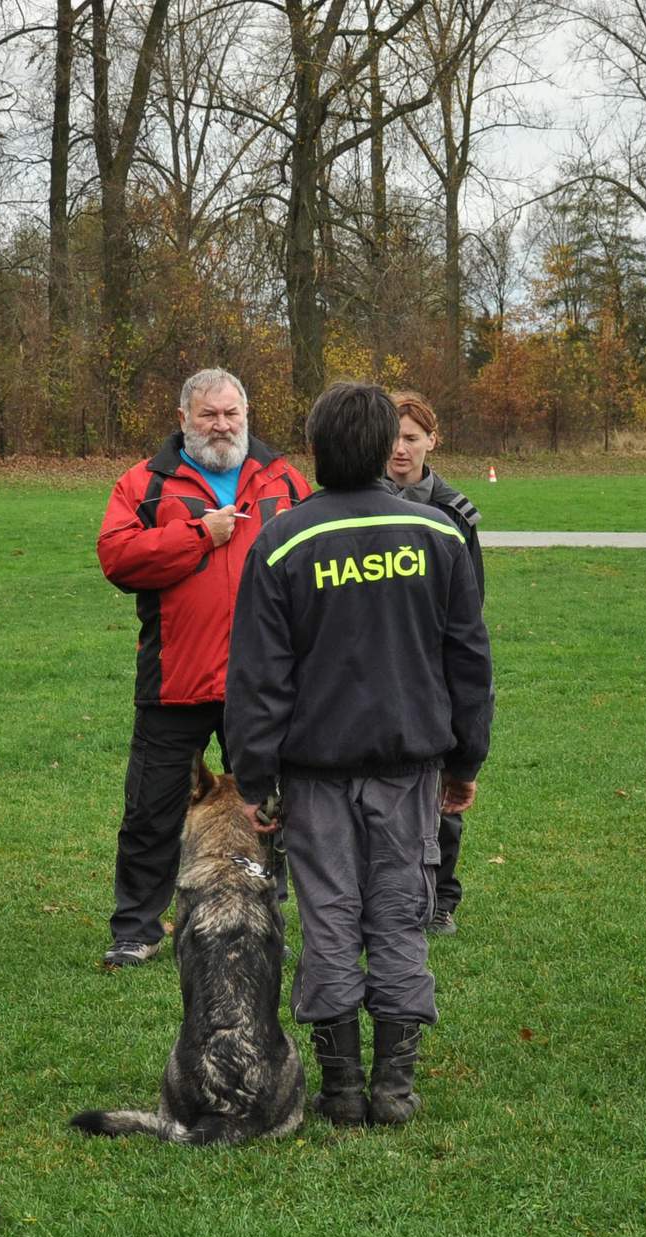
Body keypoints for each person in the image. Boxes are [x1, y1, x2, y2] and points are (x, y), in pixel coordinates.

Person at [226, 381, 493, 1127]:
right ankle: (391, 1089)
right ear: (386, 448)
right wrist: (467, 761)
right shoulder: (437, 536)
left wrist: (254, 776)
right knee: (400, 915)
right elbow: (469, 663)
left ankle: (344, 1087)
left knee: (331, 918)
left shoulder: (280, 541)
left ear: (313, 452)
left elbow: (257, 676)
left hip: (313, 776)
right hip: (409, 770)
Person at [95, 367, 311, 967]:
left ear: (247, 416)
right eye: (208, 414)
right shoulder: (144, 484)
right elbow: (116, 558)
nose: (221, 424)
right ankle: (137, 928)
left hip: (264, 683)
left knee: (274, 809)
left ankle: (271, 912)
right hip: (175, 679)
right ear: (183, 419)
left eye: (231, 413)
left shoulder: (285, 482)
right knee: (150, 809)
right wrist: (197, 535)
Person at [384, 390, 485, 936]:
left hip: (437, 670)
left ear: (432, 441)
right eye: (393, 437)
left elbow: (472, 607)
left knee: (445, 791)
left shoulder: (455, 513)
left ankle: (441, 896)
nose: (400, 449)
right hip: (380, 668)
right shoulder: (361, 502)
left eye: (411, 438)